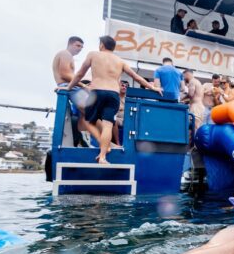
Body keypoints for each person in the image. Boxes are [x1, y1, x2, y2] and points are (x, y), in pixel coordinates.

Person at [62, 36, 162, 164]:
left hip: (97, 92)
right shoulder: (120, 61)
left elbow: (80, 74)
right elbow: (136, 77)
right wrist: (152, 87)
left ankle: (100, 144)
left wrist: (68, 88)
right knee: (107, 126)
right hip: (113, 95)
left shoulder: (93, 55)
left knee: (88, 121)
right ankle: (103, 156)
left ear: (102, 45)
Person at [52, 35, 87, 146]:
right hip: (68, 86)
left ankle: (83, 139)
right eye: (77, 45)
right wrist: (83, 85)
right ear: (70, 44)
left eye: (81, 47)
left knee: (86, 114)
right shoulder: (65, 54)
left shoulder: (68, 56)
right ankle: (104, 142)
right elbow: (65, 74)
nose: (79, 49)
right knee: (93, 110)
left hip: (69, 86)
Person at [112, 80, 128, 146]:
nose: (124, 87)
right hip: (117, 119)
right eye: (122, 85)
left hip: (127, 119)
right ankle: (118, 143)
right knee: (113, 119)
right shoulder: (114, 97)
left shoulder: (128, 98)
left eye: (126, 86)